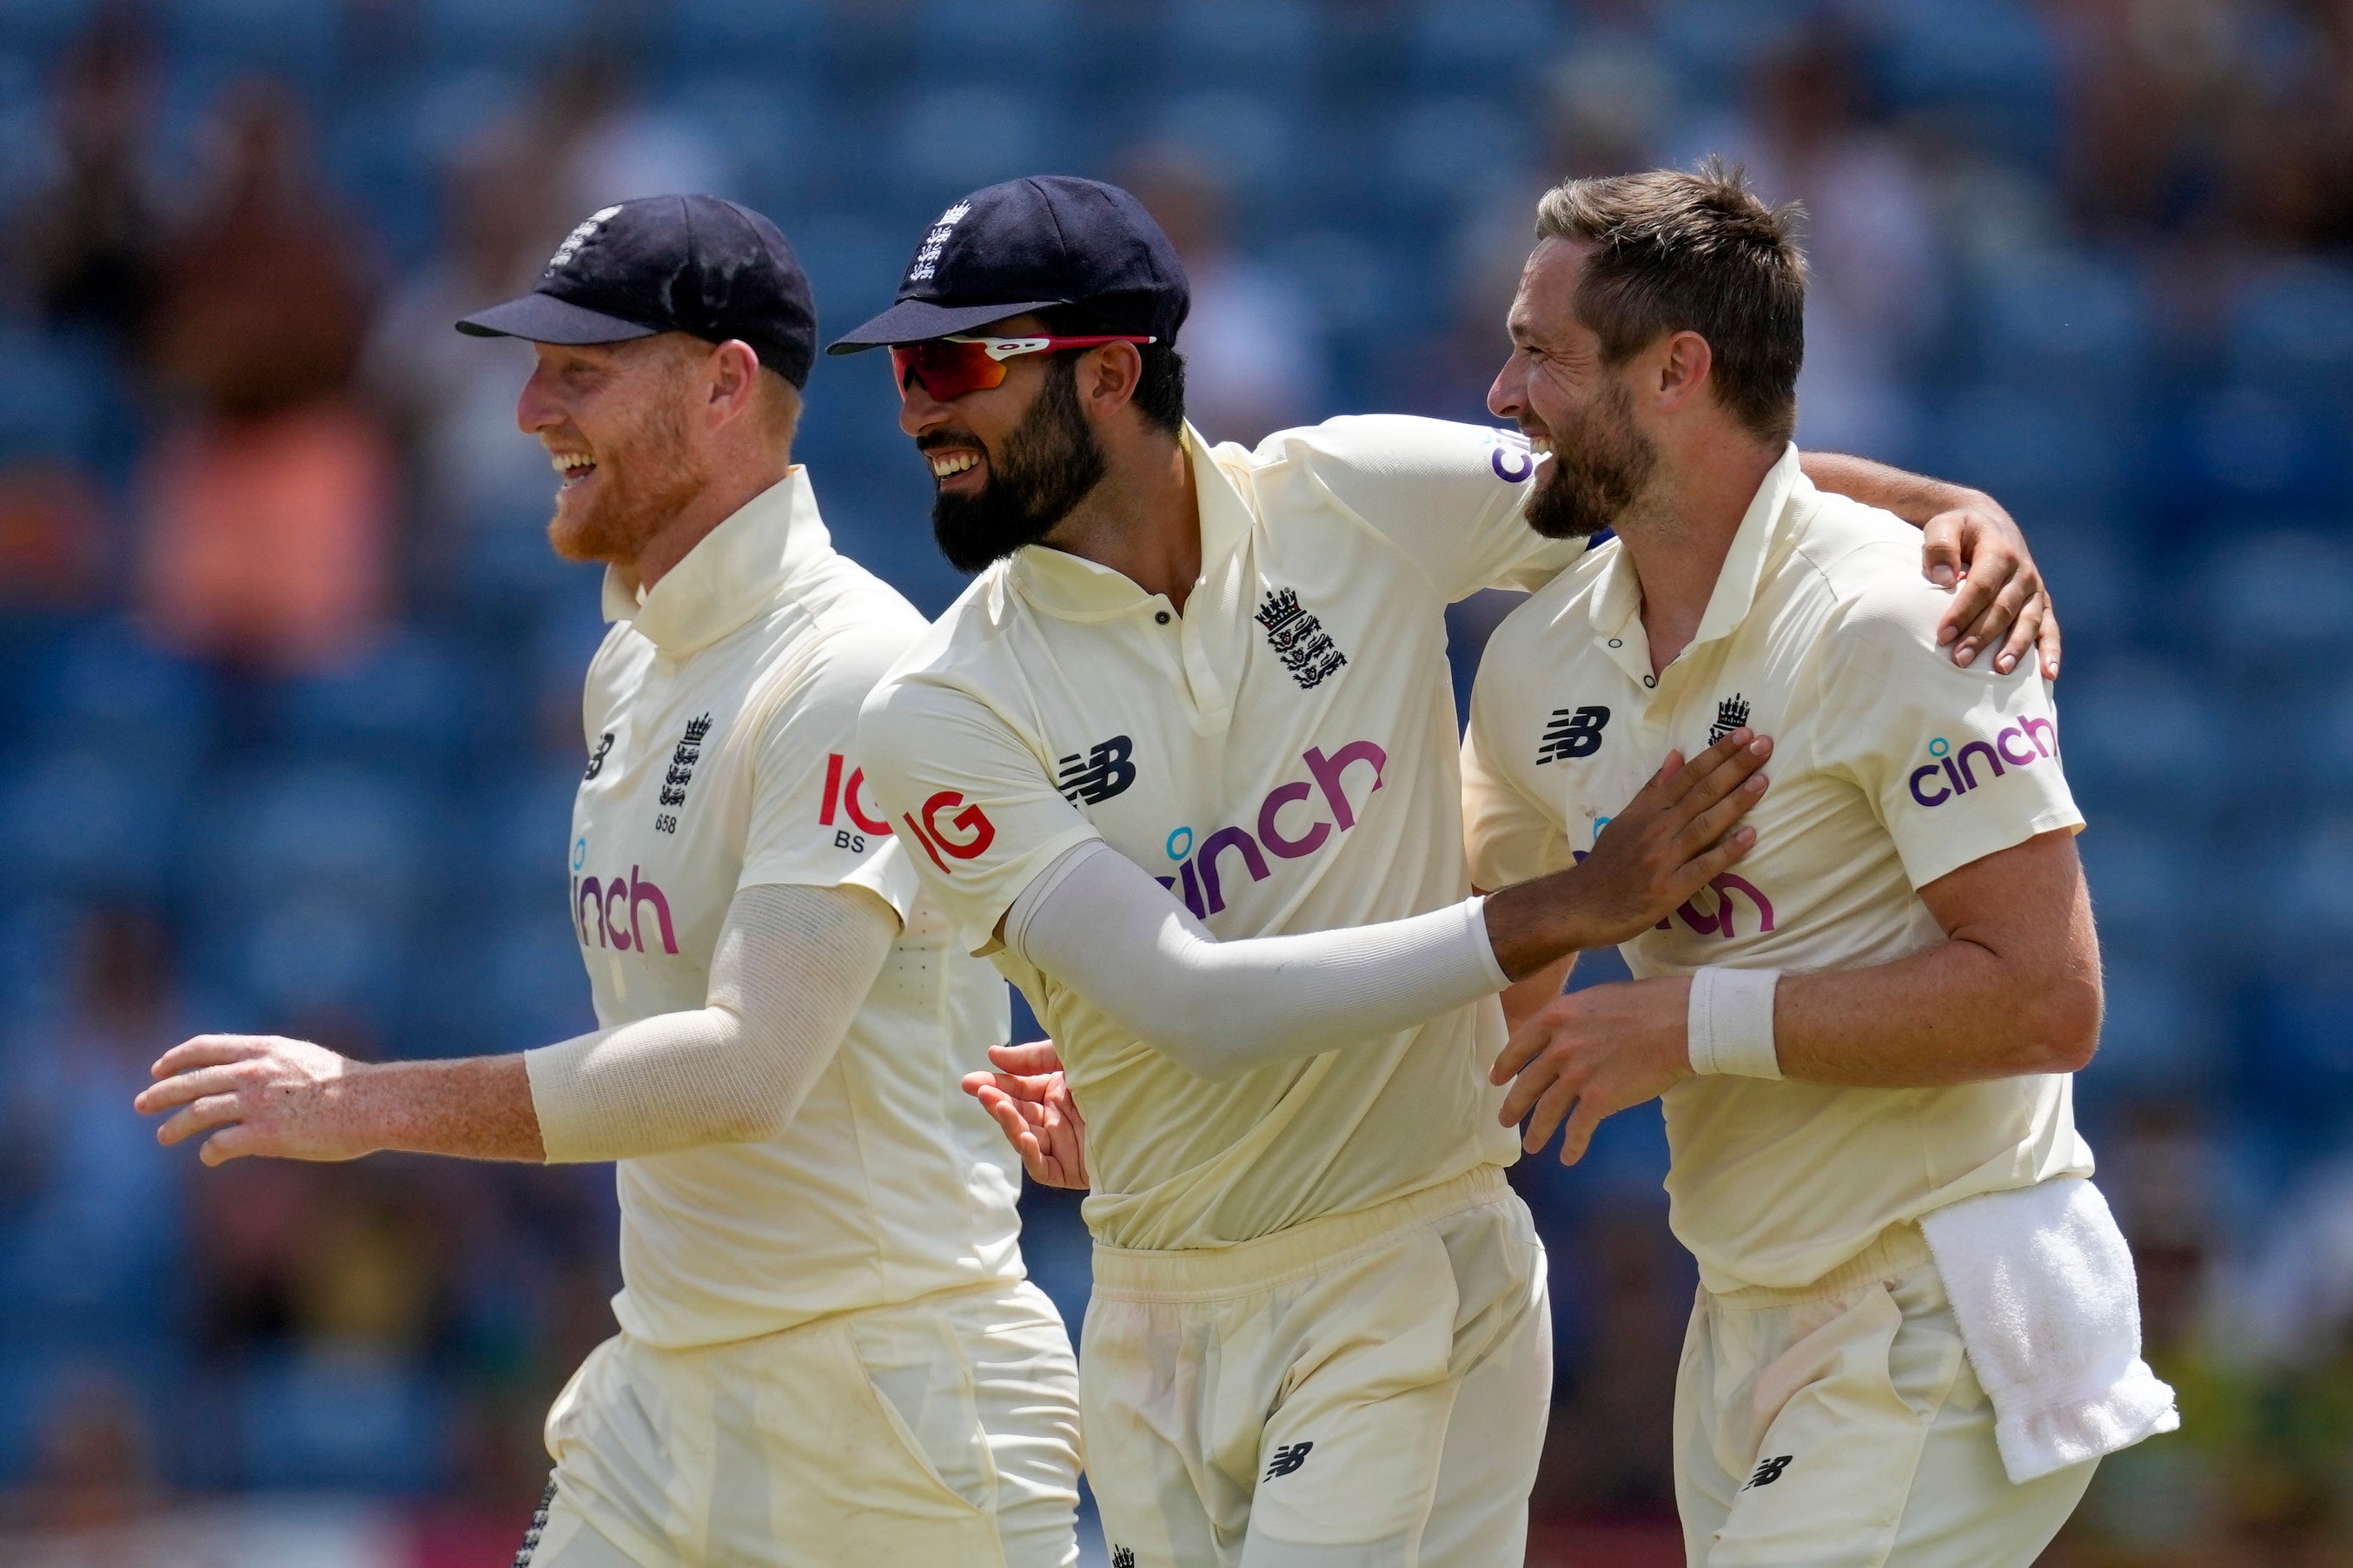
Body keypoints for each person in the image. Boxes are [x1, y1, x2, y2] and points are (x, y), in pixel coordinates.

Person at [832, 175, 2059, 1568]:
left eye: (952, 363)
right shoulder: (935, 708)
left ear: (1109, 371)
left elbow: (1665, 465)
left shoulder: (1345, 497)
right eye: (902, 370)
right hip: (1145, 1313)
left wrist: (1946, 507)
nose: (915, 407)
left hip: (1405, 1275)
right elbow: (1186, 1001)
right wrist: (1564, 908)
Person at [133, 195, 1083, 1568]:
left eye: (580, 370)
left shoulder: (852, 668)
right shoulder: (633, 663)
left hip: (890, 1427)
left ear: (723, 384)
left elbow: (744, 1070)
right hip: (668, 1394)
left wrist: (363, 1102)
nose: (528, 410)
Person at [1459, 162, 2177, 1565]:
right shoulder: (1535, 658)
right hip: (1736, 1324)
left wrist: (1687, 1020)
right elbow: (1497, 991)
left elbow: (2049, 1000)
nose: (1499, 391)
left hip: (1944, 1307)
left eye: (1541, 352)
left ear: (1677, 370)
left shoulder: (1902, 614)